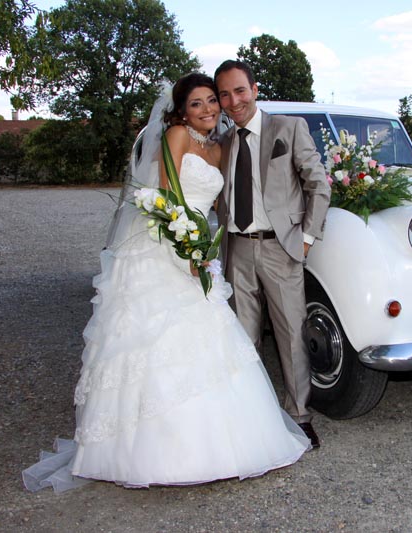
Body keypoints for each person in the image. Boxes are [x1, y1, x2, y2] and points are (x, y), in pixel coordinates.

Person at [22, 73, 310, 492]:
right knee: (154, 341)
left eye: (213, 100)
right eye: (198, 103)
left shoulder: (220, 145)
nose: (209, 108)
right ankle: (144, 451)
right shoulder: (176, 135)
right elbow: (165, 199)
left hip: (198, 248)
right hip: (165, 247)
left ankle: (221, 441)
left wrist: (201, 251)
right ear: (181, 110)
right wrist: (185, 249)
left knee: (210, 338)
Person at [214, 60, 331, 448]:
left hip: (280, 250)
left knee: (292, 336)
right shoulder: (223, 143)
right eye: (225, 95)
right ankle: (251, 416)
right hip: (236, 252)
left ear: (255, 89)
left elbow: (319, 185)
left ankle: (299, 414)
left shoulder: (288, 128)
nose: (233, 101)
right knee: (244, 339)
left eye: (240, 91)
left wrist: (307, 239)